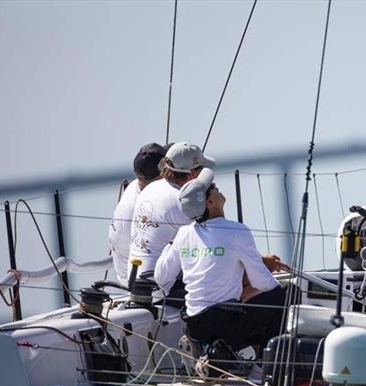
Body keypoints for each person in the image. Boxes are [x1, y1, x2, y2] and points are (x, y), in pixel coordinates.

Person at [154, 169, 285, 367]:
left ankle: (226, 350)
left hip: (193, 325)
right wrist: (263, 281)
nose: (217, 188)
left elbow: (161, 276)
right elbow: (262, 283)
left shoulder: (184, 234)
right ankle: (263, 365)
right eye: (213, 188)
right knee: (282, 294)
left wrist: (171, 245)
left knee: (246, 297)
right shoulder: (236, 231)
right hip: (223, 325)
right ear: (210, 203)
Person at [129, 142, 215, 304]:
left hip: (136, 284)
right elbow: (214, 248)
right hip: (162, 291)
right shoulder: (181, 203)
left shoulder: (150, 188)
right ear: (192, 175)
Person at [108, 143, 168, 285]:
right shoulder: (148, 203)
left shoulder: (135, 185)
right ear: (162, 174)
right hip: (140, 282)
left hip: (127, 271)